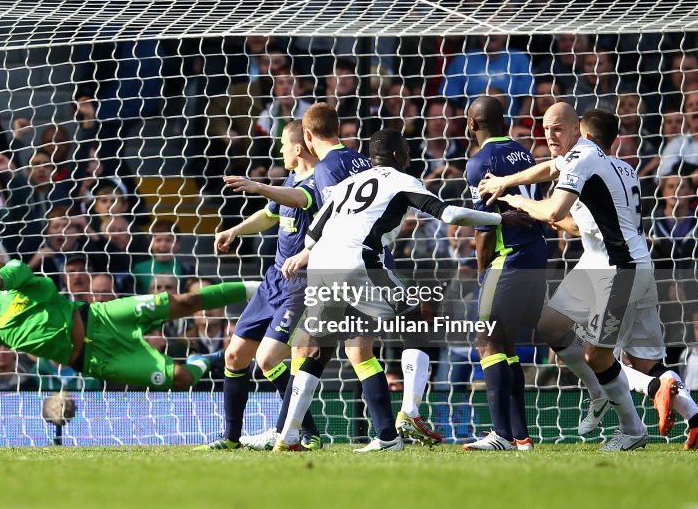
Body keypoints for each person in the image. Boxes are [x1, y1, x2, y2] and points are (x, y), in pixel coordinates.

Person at [273, 128, 530, 452]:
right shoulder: (402, 181)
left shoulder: (346, 186)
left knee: (318, 349)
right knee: (417, 323)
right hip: (360, 262)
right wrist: (499, 219)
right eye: (407, 153)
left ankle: (290, 436)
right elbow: (449, 214)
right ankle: (408, 412)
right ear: (399, 156)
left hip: (322, 264)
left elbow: (312, 236)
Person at [480, 106, 698, 450]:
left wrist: (516, 202)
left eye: (559, 129)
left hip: (619, 272)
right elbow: (549, 169)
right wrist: (508, 180)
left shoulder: (583, 161)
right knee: (556, 326)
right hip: (609, 262)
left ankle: (632, 428)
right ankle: (695, 417)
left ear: (580, 130)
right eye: (546, 129)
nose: (551, 136)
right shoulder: (619, 166)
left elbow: (557, 213)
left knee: (598, 357)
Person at [0, 257, 258, 391]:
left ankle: (260, 285)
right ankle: (216, 357)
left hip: (102, 317)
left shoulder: (16, 274)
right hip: (93, 361)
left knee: (184, 301)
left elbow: (0, 280)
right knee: (180, 378)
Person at [195, 121, 322, 451]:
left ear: (298, 147)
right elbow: (270, 215)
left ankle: (304, 430)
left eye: (283, 144)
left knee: (268, 360)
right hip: (274, 280)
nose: (279, 150)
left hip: (303, 284)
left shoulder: (322, 181)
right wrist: (235, 230)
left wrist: (258, 185)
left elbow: (298, 202)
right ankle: (230, 438)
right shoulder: (291, 179)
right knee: (235, 355)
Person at [460, 96, 548, 451]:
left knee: (485, 339)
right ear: (505, 122)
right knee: (505, 343)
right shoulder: (523, 154)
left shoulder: (478, 163)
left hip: (507, 257)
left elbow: (483, 229)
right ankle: (520, 437)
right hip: (536, 252)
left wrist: (482, 274)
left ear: (471, 124)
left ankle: (499, 435)